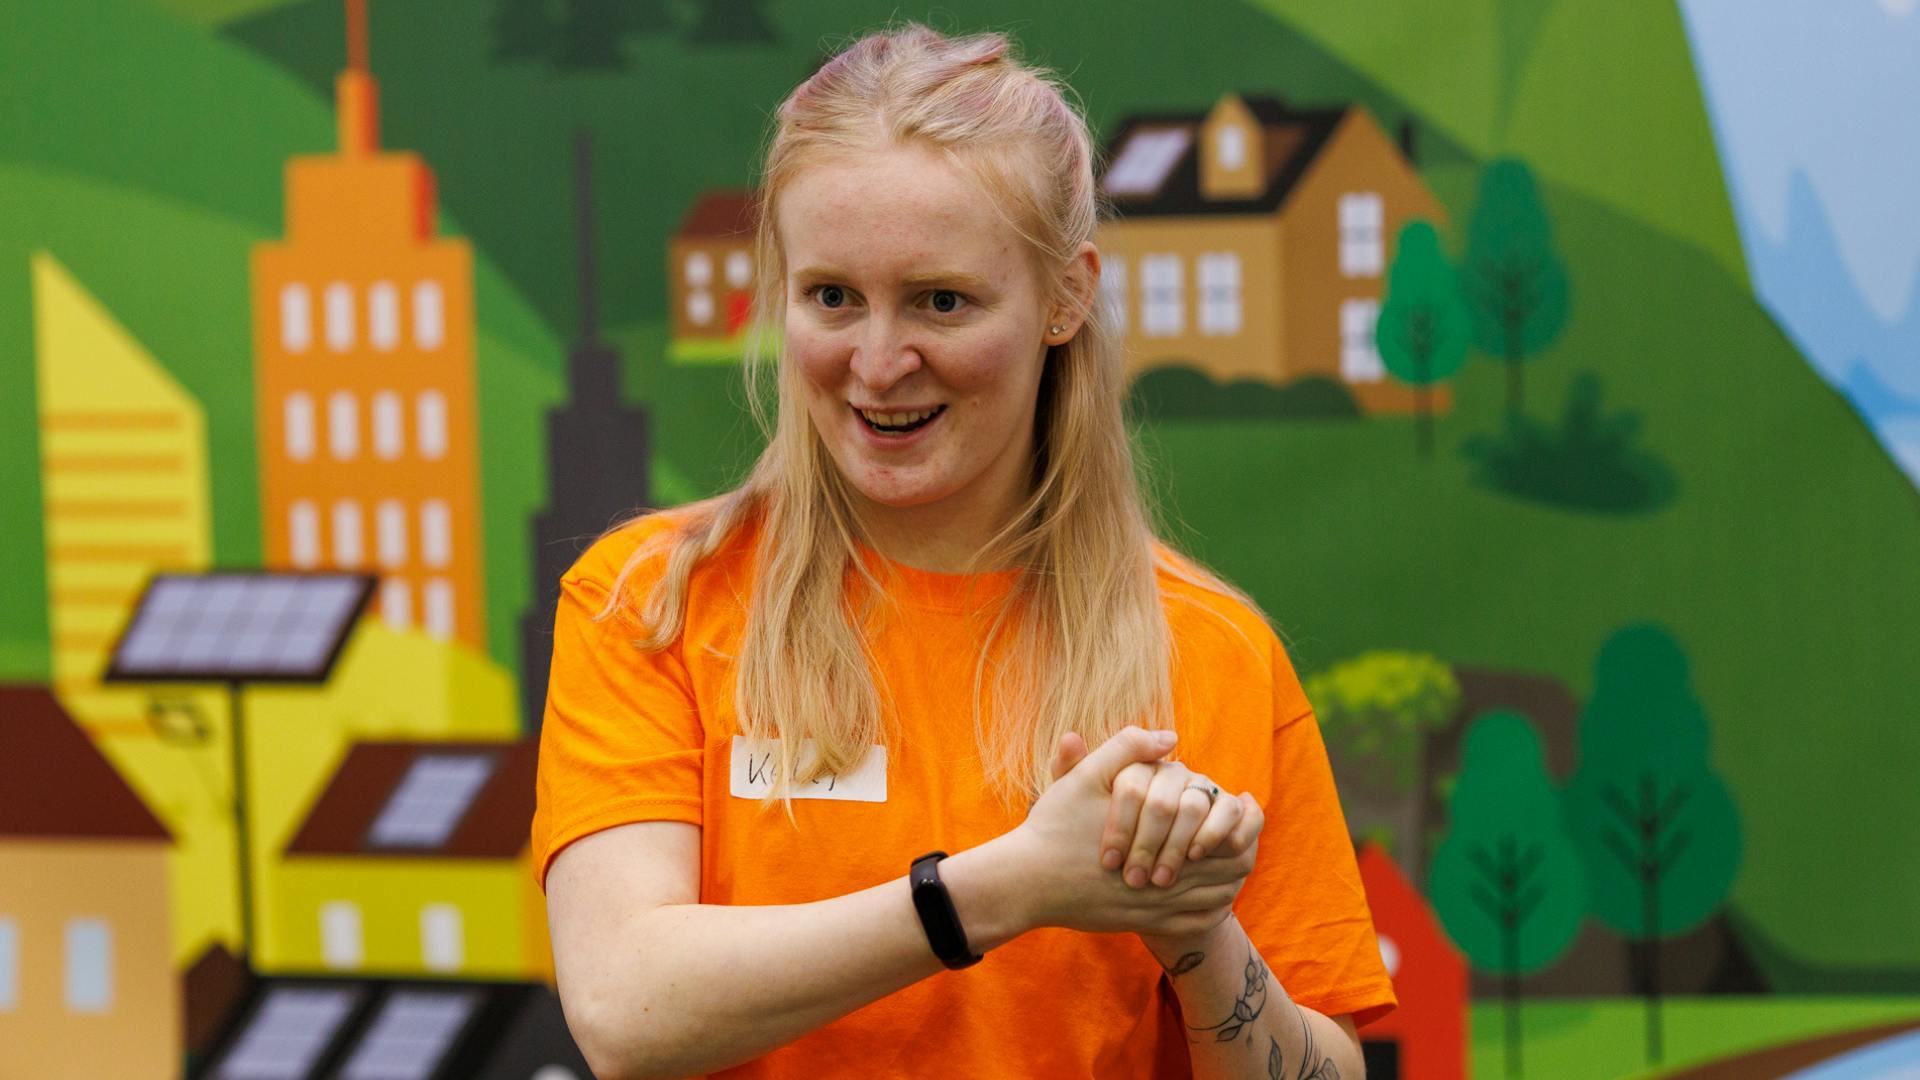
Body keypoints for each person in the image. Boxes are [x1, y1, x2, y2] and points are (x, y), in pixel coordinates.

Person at [530, 22, 1396, 1080]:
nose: (880, 361)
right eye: (832, 297)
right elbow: (627, 1010)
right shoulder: (655, 601)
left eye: (943, 301)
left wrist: (1194, 930)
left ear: (1066, 298)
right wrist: (1013, 884)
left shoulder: (1214, 650)